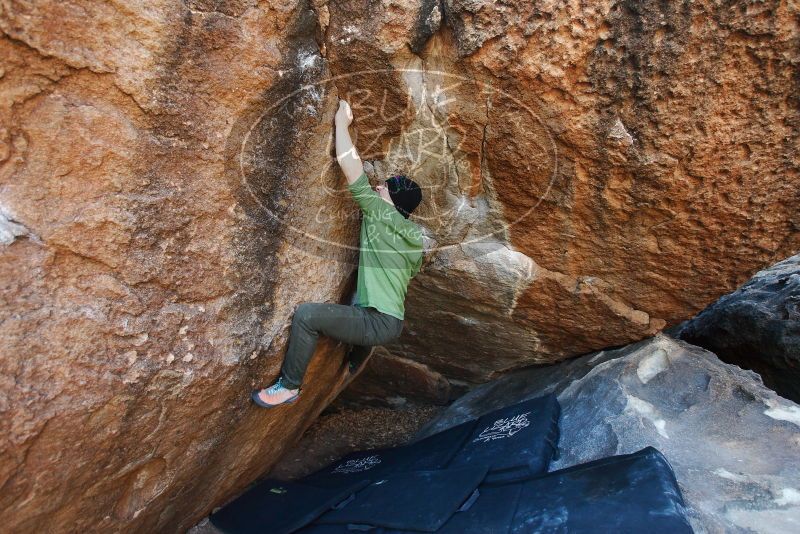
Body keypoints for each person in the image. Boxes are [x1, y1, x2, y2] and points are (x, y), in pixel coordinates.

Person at [251, 99, 424, 408]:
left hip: (377, 322)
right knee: (361, 296)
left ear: (392, 200)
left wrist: (341, 124)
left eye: (383, 188)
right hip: (393, 321)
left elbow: (350, 165)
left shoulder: (380, 214)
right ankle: (356, 359)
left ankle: (289, 386)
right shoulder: (413, 237)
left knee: (307, 316)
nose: (377, 187)